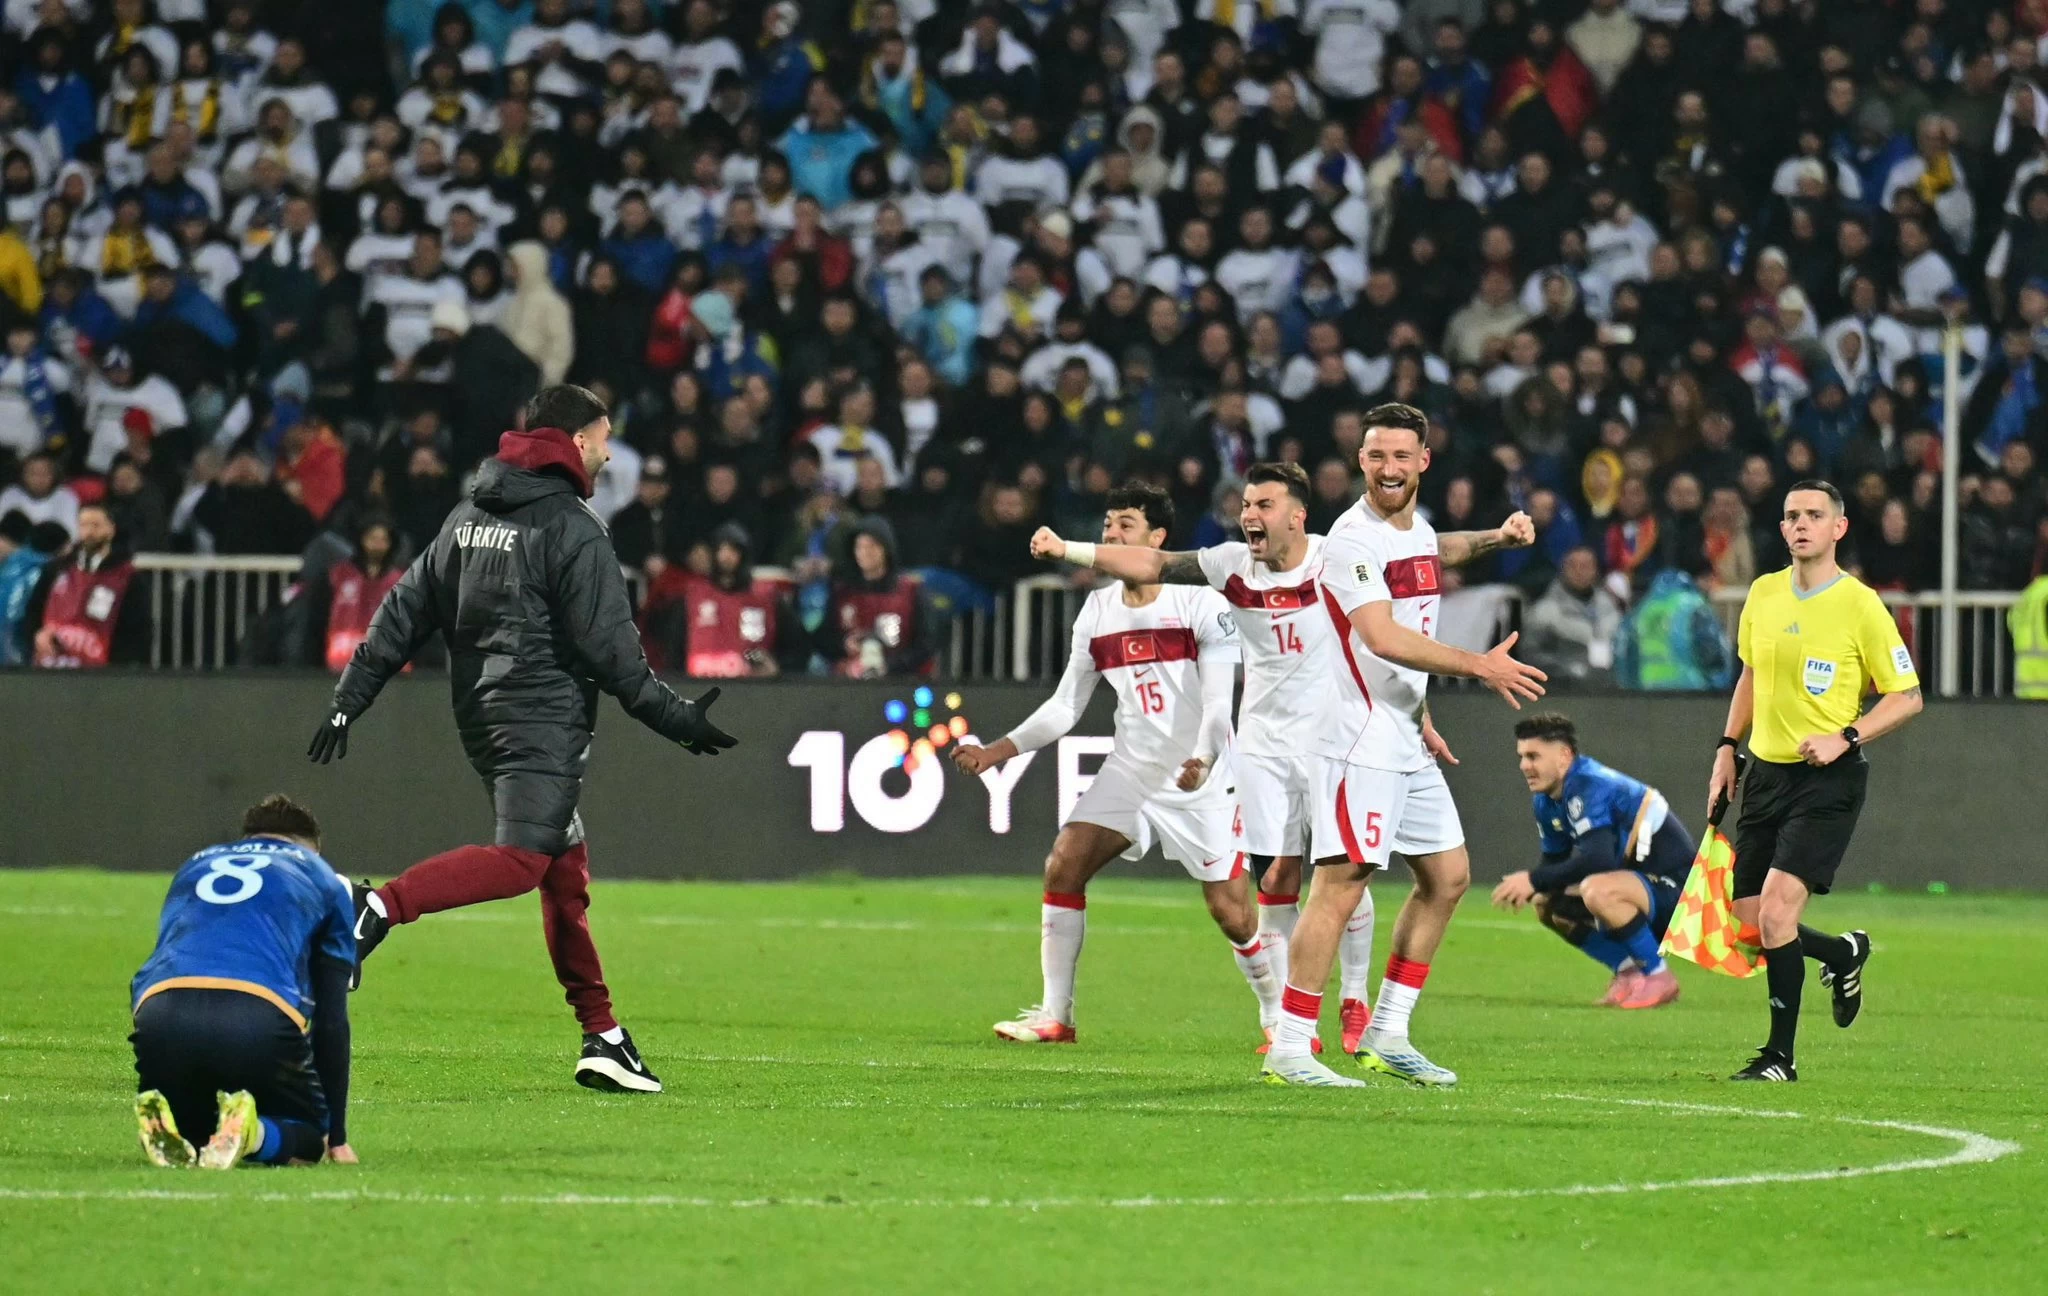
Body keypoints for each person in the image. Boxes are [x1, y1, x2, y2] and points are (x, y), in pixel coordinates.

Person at [306, 385, 736, 1093]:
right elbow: (613, 654)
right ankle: (375, 908)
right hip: (542, 717)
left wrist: (349, 700)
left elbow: (402, 612)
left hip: (483, 714)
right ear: (576, 441)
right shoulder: (573, 528)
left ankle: (603, 1037)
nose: (607, 454)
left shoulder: (469, 515)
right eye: (603, 438)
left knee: (565, 873)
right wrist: (678, 720)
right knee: (523, 861)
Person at [1035, 462, 1373, 1055]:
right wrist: (1068, 550)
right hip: (1261, 748)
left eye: (1263, 505)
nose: (1249, 515)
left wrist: (1493, 538)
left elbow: (1416, 564)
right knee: (1276, 881)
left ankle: (1355, 998)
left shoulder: (1336, 557)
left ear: (1297, 515)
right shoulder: (1227, 565)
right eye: (1246, 505)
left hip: (1330, 739)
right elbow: (1153, 566)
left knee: (1335, 873)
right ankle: (1290, 1026)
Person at [1262, 402, 1544, 1087]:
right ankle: (1291, 1047)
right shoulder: (1351, 540)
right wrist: (1479, 665)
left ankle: (1388, 1031)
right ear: (1360, 461)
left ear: (1423, 461)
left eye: (1400, 457)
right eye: (1376, 457)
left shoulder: (1413, 529)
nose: (1388, 469)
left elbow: (1438, 549)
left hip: (1404, 732)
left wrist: (1498, 538)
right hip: (1357, 738)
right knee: (1341, 885)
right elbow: (1382, 637)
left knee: (1448, 877)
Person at [952, 481, 1278, 1045]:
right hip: (1130, 772)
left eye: (1126, 525)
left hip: (1201, 779)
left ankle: (1278, 1015)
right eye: (1107, 525)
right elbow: (1065, 706)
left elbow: (1218, 706)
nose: (1111, 535)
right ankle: (1056, 1016)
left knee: (1232, 913)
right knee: (1064, 864)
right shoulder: (1097, 611)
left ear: (1157, 539)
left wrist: (1203, 759)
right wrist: (995, 752)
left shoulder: (1201, 603)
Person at [1707, 479, 1924, 1082]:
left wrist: (1846, 736)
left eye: (1813, 515)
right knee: (1750, 920)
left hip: (1827, 779)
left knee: (1778, 911)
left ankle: (1779, 1057)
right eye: (1791, 516)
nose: (1801, 524)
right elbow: (1751, 674)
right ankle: (1842, 952)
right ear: (1782, 529)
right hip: (1765, 774)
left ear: (1838, 527)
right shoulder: (1763, 592)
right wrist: (1727, 748)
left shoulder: (1860, 605)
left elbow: (1907, 696)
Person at [129, 794, 355, 1170]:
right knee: (306, 1138)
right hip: (256, 1015)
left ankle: (178, 1126)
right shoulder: (323, 877)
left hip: (160, 1012)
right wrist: (337, 1135)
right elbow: (331, 1021)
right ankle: (255, 1134)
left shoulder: (195, 864)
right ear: (311, 847)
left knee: (200, 1137)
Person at [1491, 713, 1694, 1009]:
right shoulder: (1546, 800)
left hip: (1682, 899)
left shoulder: (1589, 784)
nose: (1524, 765)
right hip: (1641, 891)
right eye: (1521, 756)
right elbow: (1554, 860)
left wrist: (1533, 879)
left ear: (1564, 756)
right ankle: (1628, 972)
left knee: (1597, 889)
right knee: (1546, 902)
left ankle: (1658, 976)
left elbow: (1599, 859)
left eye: (1533, 756)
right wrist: (1535, 885)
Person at [27, 501, 150, 668]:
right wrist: (36, 635)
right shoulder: (56, 570)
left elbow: (138, 629)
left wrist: (118, 666)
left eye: (96, 525)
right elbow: (33, 611)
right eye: (84, 525)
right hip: (51, 666)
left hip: (102, 671)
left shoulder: (127, 577)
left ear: (111, 529)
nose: (89, 532)